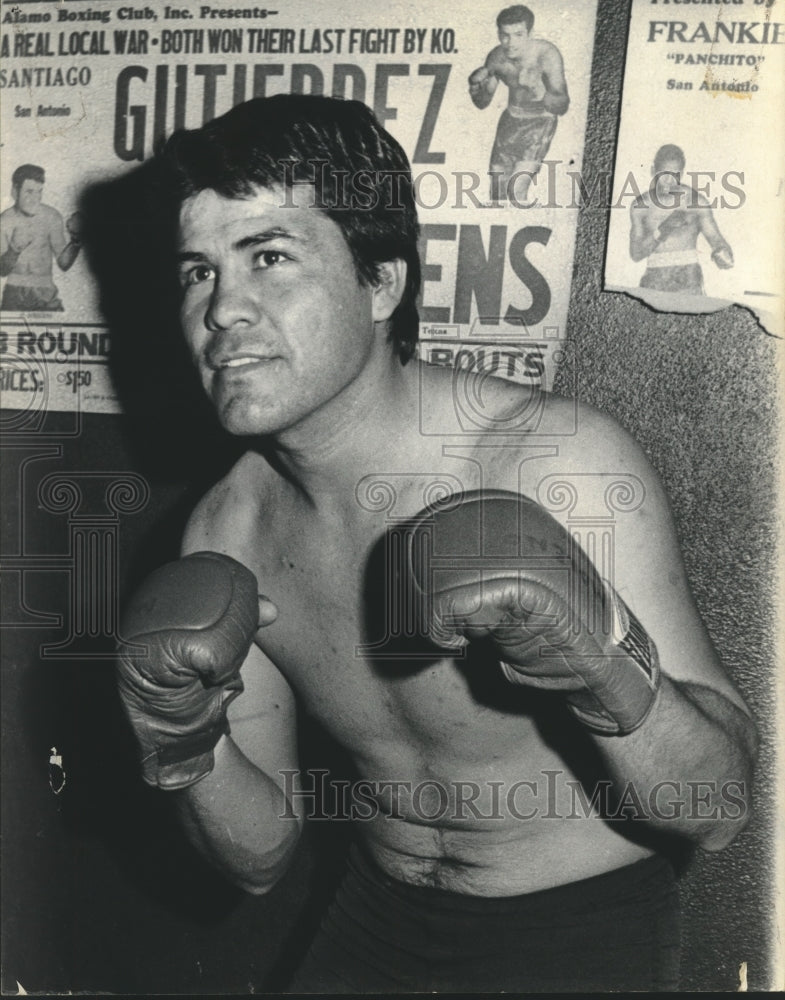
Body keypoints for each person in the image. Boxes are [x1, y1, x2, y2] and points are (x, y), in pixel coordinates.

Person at [117, 96, 757, 993]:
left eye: (268, 257)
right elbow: (257, 859)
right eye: (197, 272)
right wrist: (183, 743)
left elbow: (716, 810)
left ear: (380, 283)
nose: (223, 310)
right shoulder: (229, 530)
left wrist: (601, 662)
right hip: (370, 918)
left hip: (575, 932)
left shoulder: (551, 461)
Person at [468, 5, 569, 203]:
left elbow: (562, 105)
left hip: (540, 122)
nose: (510, 42)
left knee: (516, 192)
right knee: (497, 195)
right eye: (505, 35)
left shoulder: (547, 55)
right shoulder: (496, 57)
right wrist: (474, 88)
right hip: (510, 120)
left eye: (518, 35)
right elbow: (482, 103)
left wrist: (537, 89)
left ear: (530, 33)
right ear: (498, 34)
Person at [629, 144, 734, 296]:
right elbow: (636, 254)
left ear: (682, 174)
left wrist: (723, 254)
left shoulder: (696, 202)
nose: (669, 181)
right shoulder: (641, 206)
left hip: (688, 281)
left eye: (675, 175)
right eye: (664, 174)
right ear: (653, 171)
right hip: (654, 281)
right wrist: (664, 229)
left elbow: (717, 240)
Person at [0, 164, 82, 312]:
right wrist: (14, 248)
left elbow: (63, 264)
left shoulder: (51, 217)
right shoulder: (5, 220)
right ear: (14, 191)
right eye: (29, 192)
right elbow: (2, 271)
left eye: (39, 192)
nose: (35, 199)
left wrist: (76, 239)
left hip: (45, 292)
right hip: (13, 293)